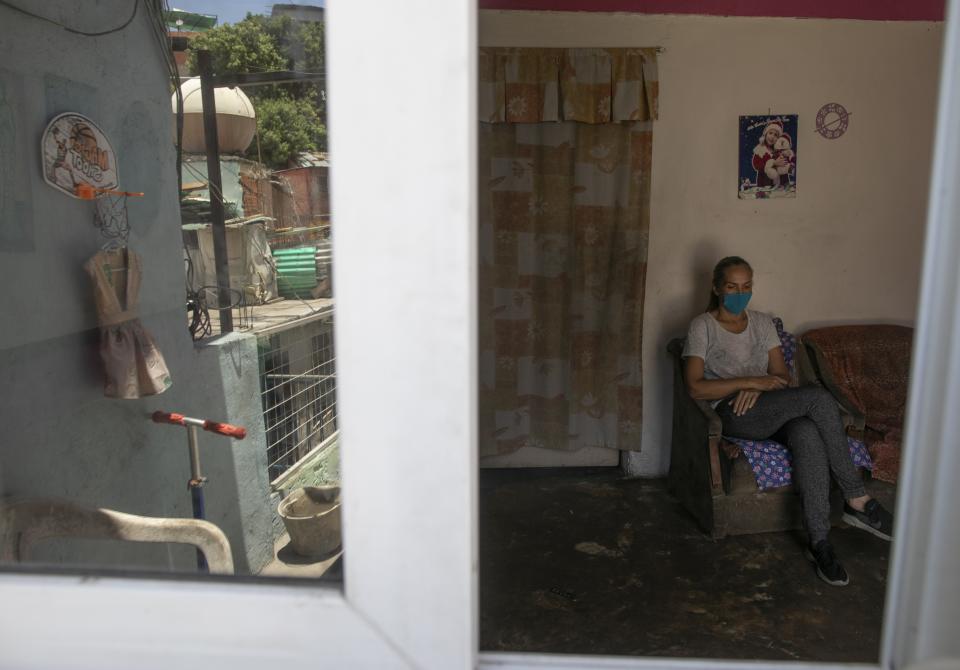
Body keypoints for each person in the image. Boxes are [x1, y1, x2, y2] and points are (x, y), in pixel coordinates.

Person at [682, 256, 894, 586]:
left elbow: (780, 374)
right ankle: (856, 498)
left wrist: (763, 385)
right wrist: (749, 382)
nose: (741, 293)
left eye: (747, 286)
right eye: (732, 287)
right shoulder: (702, 327)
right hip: (732, 412)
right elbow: (695, 386)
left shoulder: (763, 324)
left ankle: (820, 542)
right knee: (819, 399)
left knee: (808, 433)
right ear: (716, 288)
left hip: (769, 407)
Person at [751, 120, 789, 190]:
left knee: (783, 168)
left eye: (776, 135)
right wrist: (773, 163)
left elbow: (784, 161)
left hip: (778, 182)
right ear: (765, 134)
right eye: (770, 133)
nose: (772, 137)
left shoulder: (778, 150)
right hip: (764, 182)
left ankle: (785, 185)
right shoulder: (760, 149)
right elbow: (756, 165)